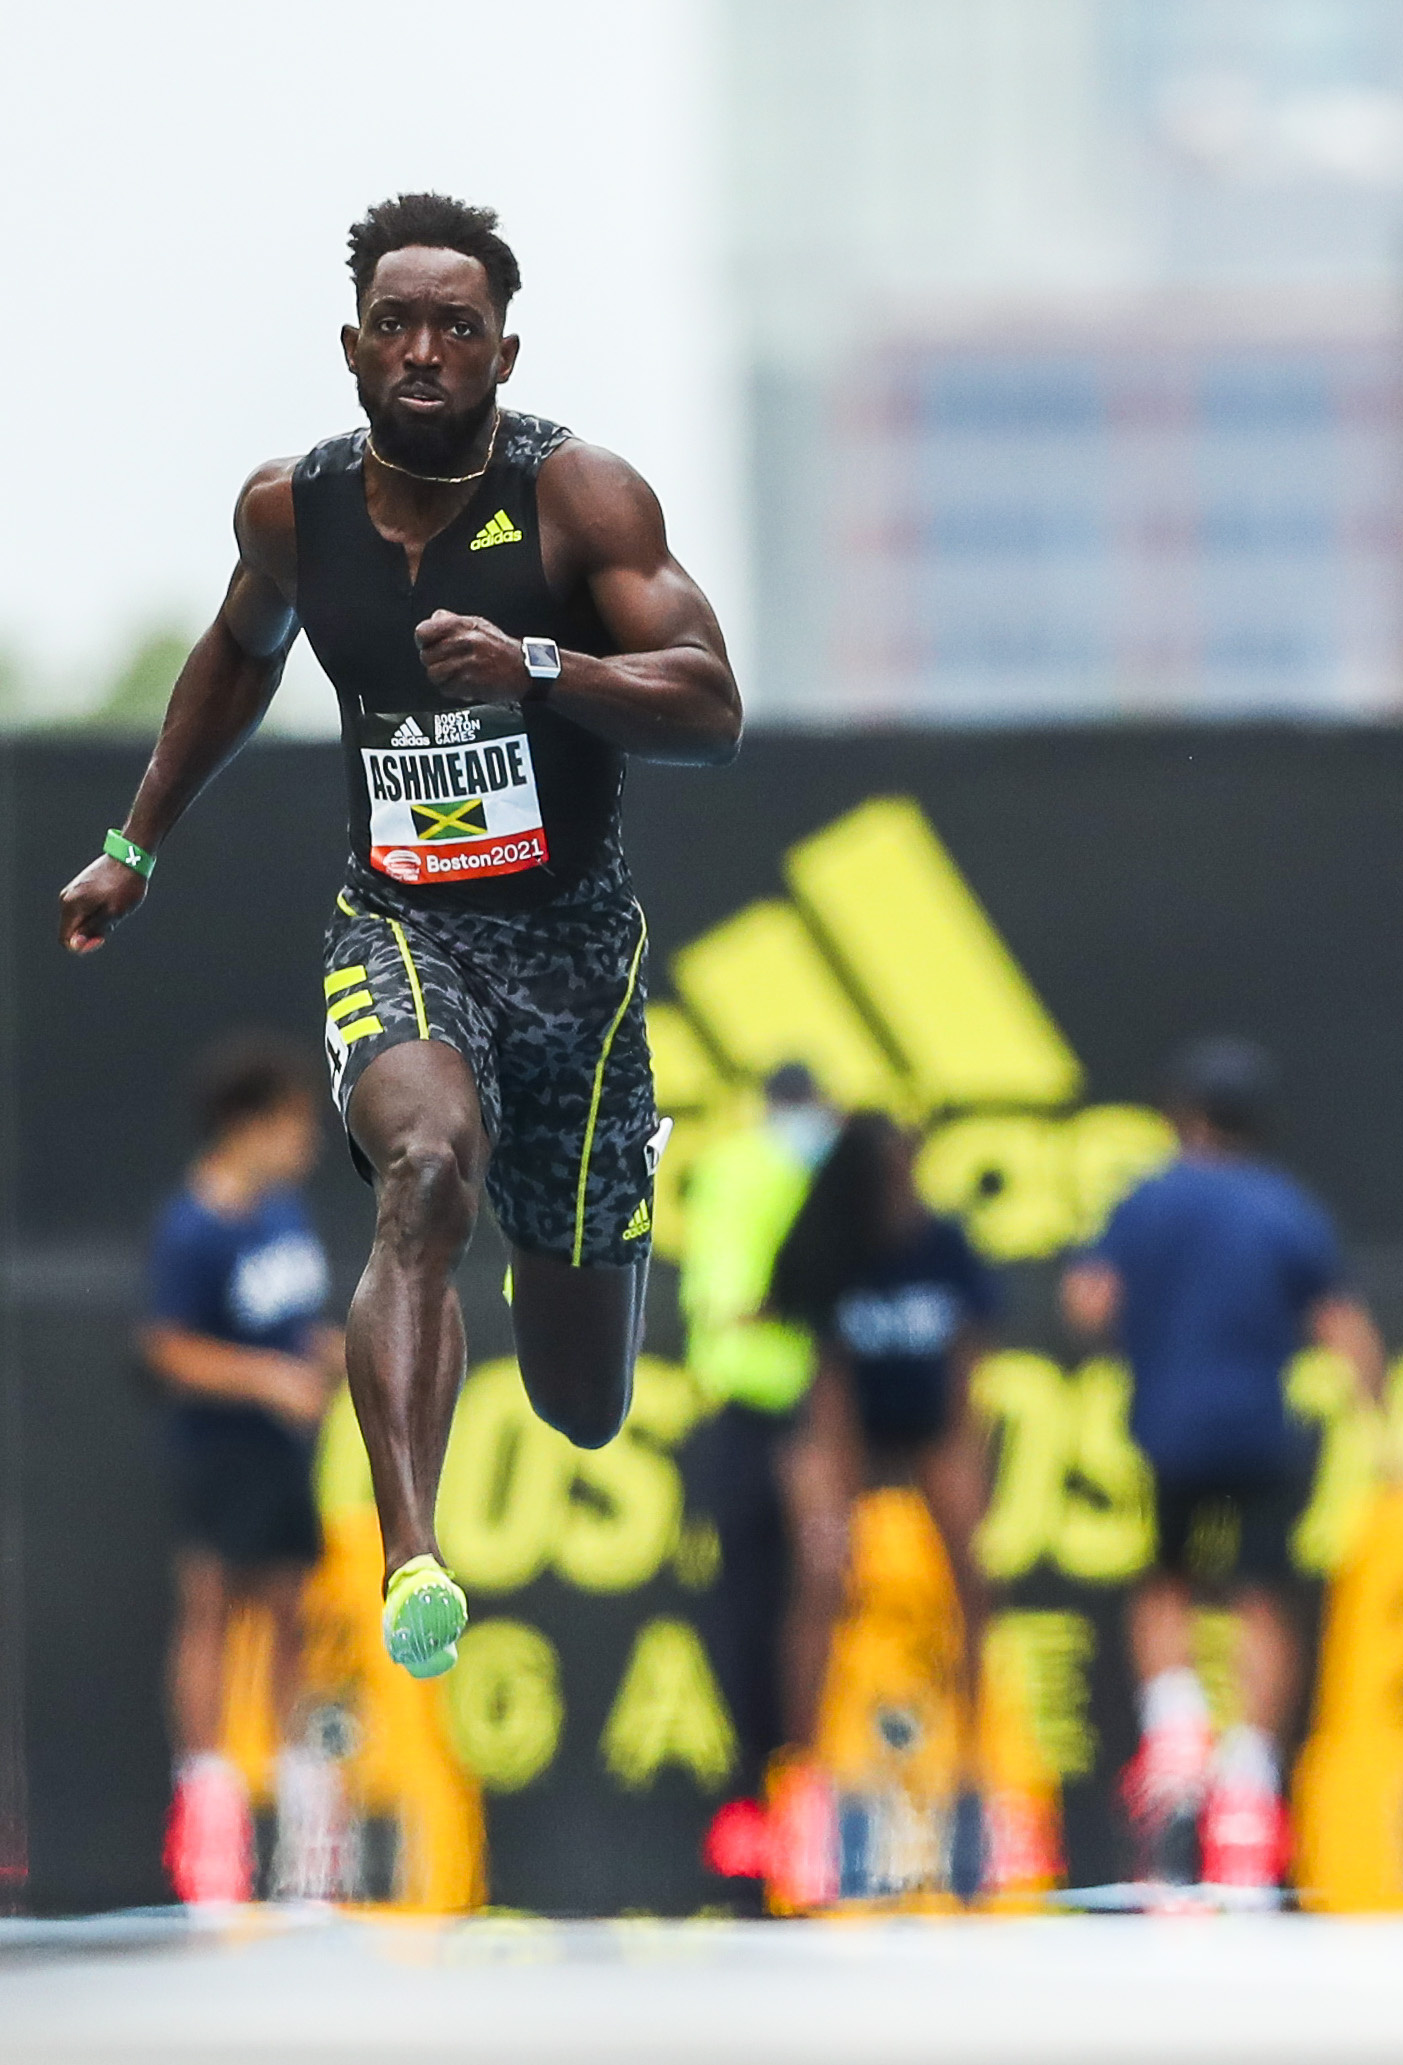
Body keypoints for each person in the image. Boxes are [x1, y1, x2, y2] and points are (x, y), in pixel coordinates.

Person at [56, 193, 741, 1681]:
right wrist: (132, 846)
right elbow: (234, 663)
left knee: (580, 1400)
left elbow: (709, 704)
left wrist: (539, 665)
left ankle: (585, 1212)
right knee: (421, 1169)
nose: (426, 349)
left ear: (504, 352)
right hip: (402, 922)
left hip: (573, 959)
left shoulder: (581, 501)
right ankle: (413, 1552)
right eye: (399, 325)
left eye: (458, 328)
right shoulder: (289, 514)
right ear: (355, 347)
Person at [1060, 1038, 1386, 1894]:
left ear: (1186, 1115)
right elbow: (1345, 1329)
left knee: (1165, 1576)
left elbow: (1089, 1299)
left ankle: (1175, 1740)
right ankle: (1246, 1780)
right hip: (1259, 1431)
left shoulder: (1149, 1199)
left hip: (1169, 1428)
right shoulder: (1285, 1207)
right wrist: (1385, 1432)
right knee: (1260, 1593)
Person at [144, 1038, 347, 1908]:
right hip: (218, 1446)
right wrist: (267, 1379)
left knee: (292, 1610)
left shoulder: (283, 1214)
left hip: (285, 1454)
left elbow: (294, 1325)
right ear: (245, 1124)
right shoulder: (192, 1224)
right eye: (290, 1122)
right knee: (212, 1606)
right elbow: (167, 1347)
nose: (303, 1140)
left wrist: (335, 1356)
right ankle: (210, 1801)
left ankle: (305, 1807)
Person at [762, 1113, 1001, 1828]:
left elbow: (968, 1357)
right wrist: (837, 1493)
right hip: (847, 1428)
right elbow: (825, 1377)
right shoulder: (833, 1244)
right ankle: (804, 1769)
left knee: (974, 1577)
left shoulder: (943, 1243)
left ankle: (972, 1764)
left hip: (929, 1424)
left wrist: (962, 1453)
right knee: (822, 1574)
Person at [675, 1062, 836, 1869]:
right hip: (753, 1415)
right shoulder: (746, 1171)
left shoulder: (818, 1172)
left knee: (820, 1598)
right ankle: (756, 1797)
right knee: (750, 1608)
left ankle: (802, 1791)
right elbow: (736, 1295)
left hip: (821, 1419)